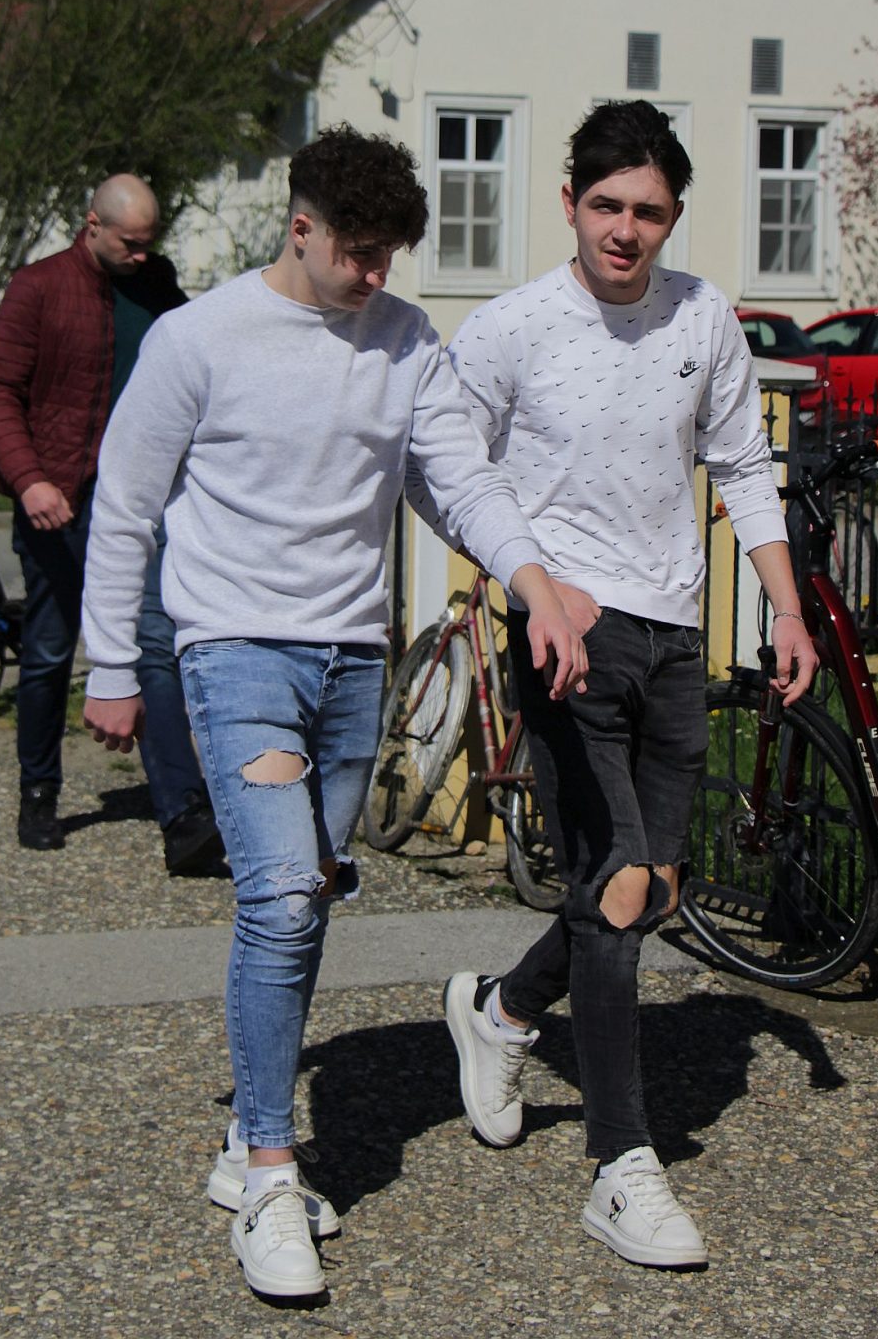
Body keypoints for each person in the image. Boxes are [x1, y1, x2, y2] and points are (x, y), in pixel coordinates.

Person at [78, 125, 588, 1301]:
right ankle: (269, 1171)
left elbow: (457, 476)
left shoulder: (405, 340)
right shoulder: (198, 339)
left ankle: (244, 1139)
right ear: (300, 227)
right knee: (284, 894)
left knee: (305, 906)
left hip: (354, 662)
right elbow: (127, 502)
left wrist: (535, 581)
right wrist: (110, 663)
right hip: (234, 652)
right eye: (358, 252)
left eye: (390, 254)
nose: (375, 274)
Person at [438, 100, 819, 1270]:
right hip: (568, 635)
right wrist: (531, 580)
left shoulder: (703, 315)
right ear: (570, 203)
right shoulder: (514, 327)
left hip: (674, 636)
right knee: (613, 889)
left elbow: (743, 463)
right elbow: (445, 466)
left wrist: (786, 608)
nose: (624, 229)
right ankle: (621, 1166)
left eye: (648, 211)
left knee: (655, 887)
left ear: (673, 216)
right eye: (605, 205)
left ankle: (502, 1011)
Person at [0, 174, 222, 872]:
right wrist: (29, 480)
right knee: (50, 651)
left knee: (153, 644)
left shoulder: (158, 286)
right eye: (129, 244)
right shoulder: (38, 288)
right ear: (93, 225)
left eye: (149, 243)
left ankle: (183, 814)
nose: (142, 255)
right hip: (58, 502)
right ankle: (39, 792)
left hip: (141, 500)